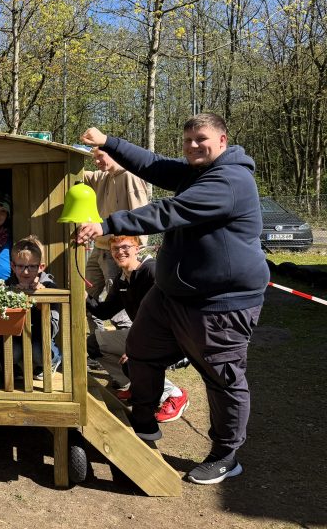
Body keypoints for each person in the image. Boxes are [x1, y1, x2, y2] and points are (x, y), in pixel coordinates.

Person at [76, 113, 269, 485]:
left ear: (223, 141)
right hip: (171, 296)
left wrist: (108, 224)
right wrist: (108, 141)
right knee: (142, 351)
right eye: (188, 140)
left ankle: (226, 455)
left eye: (202, 139)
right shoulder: (197, 172)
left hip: (219, 303)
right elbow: (153, 165)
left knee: (222, 379)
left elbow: (171, 211)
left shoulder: (229, 180)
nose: (193, 145)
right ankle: (144, 424)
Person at [86, 235, 189, 423]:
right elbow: (104, 312)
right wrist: (85, 296)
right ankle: (137, 387)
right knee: (93, 344)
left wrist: (135, 348)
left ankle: (174, 394)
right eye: (115, 249)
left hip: (171, 338)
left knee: (133, 362)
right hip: (143, 335)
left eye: (125, 247)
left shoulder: (152, 272)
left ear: (137, 248)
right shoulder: (123, 279)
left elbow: (167, 316)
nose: (120, 252)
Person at [83, 148, 149, 363]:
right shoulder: (102, 176)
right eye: (94, 158)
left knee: (119, 304)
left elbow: (142, 215)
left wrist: (128, 250)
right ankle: (98, 347)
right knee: (87, 295)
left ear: (115, 155)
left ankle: (130, 351)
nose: (97, 162)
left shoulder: (129, 176)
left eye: (100, 157)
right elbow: (76, 173)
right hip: (99, 248)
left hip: (118, 250)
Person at [6, 235, 61, 380]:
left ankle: (51, 360)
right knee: (12, 352)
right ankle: (16, 366)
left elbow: (53, 327)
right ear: (13, 266)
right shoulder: (6, 285)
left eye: (31, 267)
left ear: (41, 267)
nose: (25, 272)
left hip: (41, 337)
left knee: (38, 352)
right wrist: (16, 296)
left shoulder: (49, 287)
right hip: (16, 337)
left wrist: (39, 299)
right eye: (21, 266)